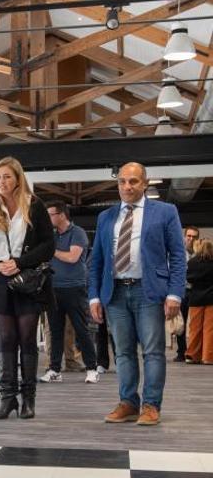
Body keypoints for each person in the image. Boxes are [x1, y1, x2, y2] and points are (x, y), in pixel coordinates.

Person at [89, 162, 186, 426]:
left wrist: (175, 294)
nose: (127, 186)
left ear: (144, 183)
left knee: (153, 352)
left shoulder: (165, 212)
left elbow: (177, 256)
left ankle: (151, 405)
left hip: (150, 291)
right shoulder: (106, 217)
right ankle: (128, 402)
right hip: (115, 292)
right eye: (122, 181)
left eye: (133, 181)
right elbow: (96, 260)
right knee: (122, 352)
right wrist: (94, 296)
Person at [0, 157, 54, 420]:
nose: (1, 182)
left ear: (17, 178)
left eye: (7, 176)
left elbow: (48, 245)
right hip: (0, 282)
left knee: (27, 339)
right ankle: (7, 399)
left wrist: (19, 262)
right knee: (6, 339)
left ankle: (28, 400)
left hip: (27, 282)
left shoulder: (34, 206)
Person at [40, 200, 99, 384]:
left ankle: (91, 369)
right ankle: (55, 370)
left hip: (74, 288)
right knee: (55, 332)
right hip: (53, 289)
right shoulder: (52, 235)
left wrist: (51, 250)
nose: (48, 218)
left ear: (62, 215)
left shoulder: (78, 233)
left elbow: (72, 257)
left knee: (81, 329)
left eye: (51, 214)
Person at [185, 238, 213, 364]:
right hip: (211, 299)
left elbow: (188, 279)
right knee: (210, 329)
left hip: (195, 298)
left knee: (194, 328)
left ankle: (192, 355)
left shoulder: (192, 262)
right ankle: (208, 357)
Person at [175, 226, 200, 362]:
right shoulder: (178, 252)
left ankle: (195, 352)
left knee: (196, 324)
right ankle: (181, 352)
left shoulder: (201, 253)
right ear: (185, 237)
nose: (191, 239)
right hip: (182, 290)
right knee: (181, 323)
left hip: (197, 290)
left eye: (194, 236)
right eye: (189, 236)